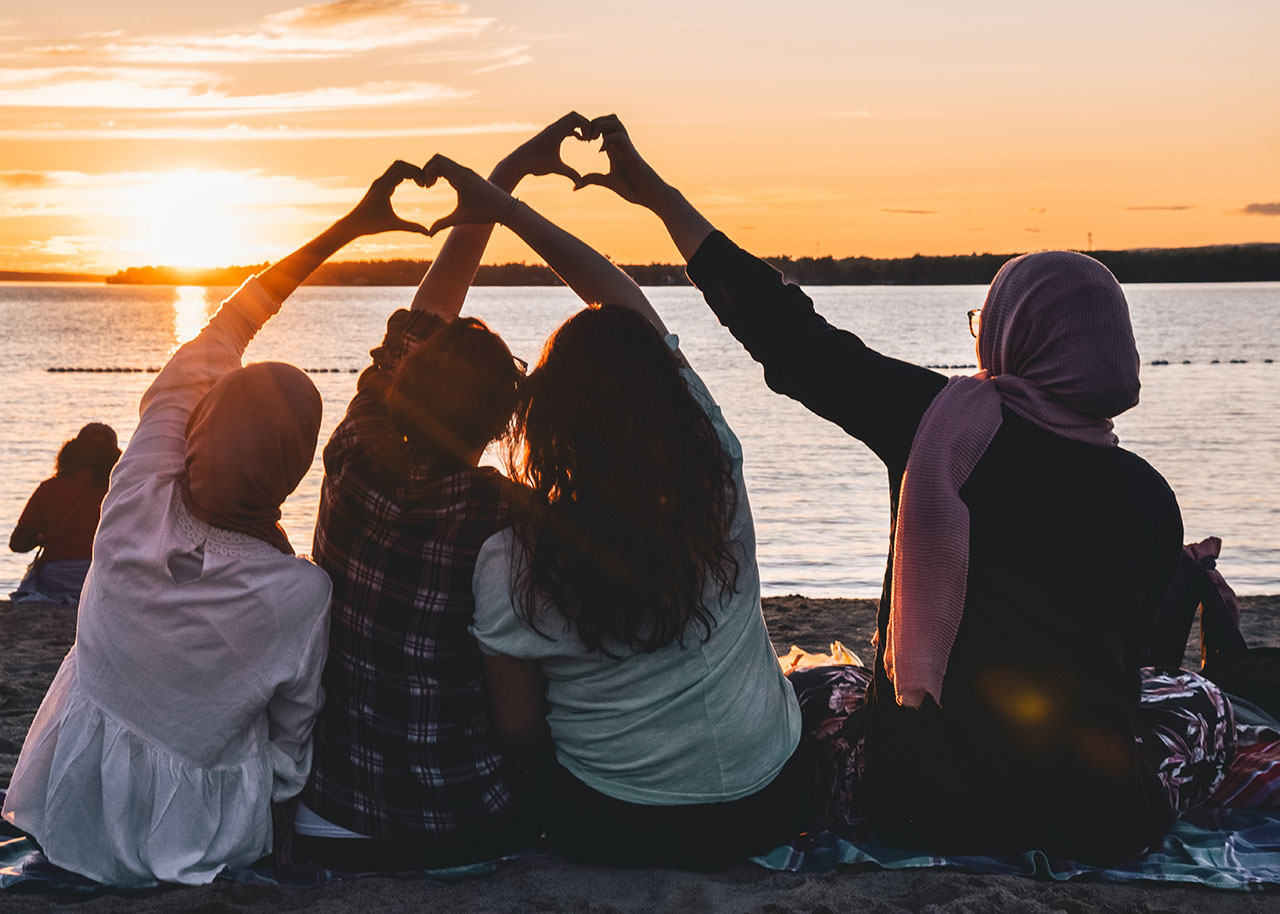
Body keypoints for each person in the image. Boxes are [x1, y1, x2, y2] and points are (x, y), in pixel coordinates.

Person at [572, 115, 1233, 863]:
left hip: (914, 806)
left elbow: (788, 334)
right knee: (1204, 704)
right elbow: (1135, 668)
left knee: (820, 689)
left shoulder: (936, 424)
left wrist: (660, 198)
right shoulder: (1145, 494)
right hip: (1093, 817)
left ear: (1018, 334)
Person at [1, 163, 433, 886]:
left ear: (192, 432)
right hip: (201, 833)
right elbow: (292, 744)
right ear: (293, 472)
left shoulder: (136, 489)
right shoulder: (300, 593)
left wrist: (350, 224)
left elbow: (233, 321)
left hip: (73, 807)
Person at [418, 154, 809, 870]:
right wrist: (506, 206)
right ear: (666, 399)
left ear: (550, 418)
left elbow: (519, 729)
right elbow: (624, 301)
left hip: (612, 827)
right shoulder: (716, 469)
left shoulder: (513, 554)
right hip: (769, 804)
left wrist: (496, 198)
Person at [295, 116, 595, 871]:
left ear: (402, 384)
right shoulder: (505, 513)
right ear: (500, 425)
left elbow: (425, 312)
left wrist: (499, 181)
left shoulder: (351, 449)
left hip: (333, 815)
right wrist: (507, 182)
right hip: (467, 822)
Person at [10, 423, 121, 605]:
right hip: (102, 578)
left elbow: (18, 544)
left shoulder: (49, 488)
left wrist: (41, 537)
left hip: (56, 579)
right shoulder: (121, 492)